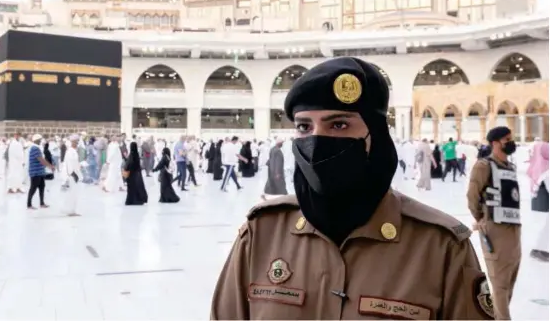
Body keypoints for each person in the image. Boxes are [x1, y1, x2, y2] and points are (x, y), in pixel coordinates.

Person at [211, 57, 492, 320]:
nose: (317, 140)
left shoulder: (439, 248)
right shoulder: (261, 235)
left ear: (377, 135)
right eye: (304, 126)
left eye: (339, 124)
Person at [467, 125, 520, 320]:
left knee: (509, 282)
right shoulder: (484, 166)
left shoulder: (510, 167)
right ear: (495, 143)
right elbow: (472, 196)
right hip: (494, 230)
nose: (511, 143)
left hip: (513, 230)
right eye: (507, 139)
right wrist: (480, 219)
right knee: (499, 285)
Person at [527, 141, 549, 262]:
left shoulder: (538, 166)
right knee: (544, 228)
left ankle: (538, 250)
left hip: (541, 204)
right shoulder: (546, 169)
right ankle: (537, 250)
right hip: (543, 205)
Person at [27, 134, 54, 210]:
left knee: (42, 187)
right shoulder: (34, 148)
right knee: (33, 188)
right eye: (40, 140)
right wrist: (50, 166)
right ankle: (29, 205)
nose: (41, 141)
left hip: (40, 172)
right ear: (38, 140)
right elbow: (41, 159)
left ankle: (42, 203)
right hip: (35, 172)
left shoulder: (37, 148)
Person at [62, 134, 82, 216]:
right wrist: (73, 174)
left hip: (74, 174)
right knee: (71, 193)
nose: (77, 143)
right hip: (71, 175)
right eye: (75, 141)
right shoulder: (70, 151)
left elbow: (75, 163)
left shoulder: (73, 151)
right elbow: (69, 164)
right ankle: (70, 211)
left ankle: (72, 210)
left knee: (73, 193)